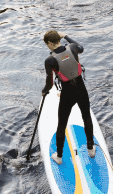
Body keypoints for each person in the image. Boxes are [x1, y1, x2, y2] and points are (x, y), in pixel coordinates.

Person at [41, 30, 95, 165]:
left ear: (51, 43)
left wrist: (44, 91)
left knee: (62, 124)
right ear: (60, 39)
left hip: (67, 94)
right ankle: (91, 149)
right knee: (86, 117)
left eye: (47, 44)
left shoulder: (50, 60)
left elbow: (50, 83)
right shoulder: (72, 47)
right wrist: (66, 36)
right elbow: (81, 48)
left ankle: (59, 156)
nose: (47, 47)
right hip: (81, 90)